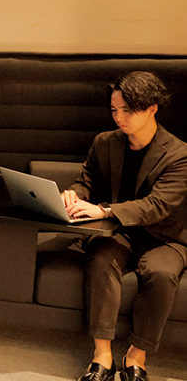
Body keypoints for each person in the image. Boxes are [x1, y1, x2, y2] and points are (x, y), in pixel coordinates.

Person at [60, 71, 187, 381]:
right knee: (101, 259)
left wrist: (103, 210)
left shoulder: (179, 154)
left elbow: (157, 205)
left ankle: (136, 356)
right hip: (115, 233)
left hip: (163, 236)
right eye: (114, 109)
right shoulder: (105, 143)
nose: (119, 117)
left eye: (127, 110)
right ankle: (102, 355)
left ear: (152, 108)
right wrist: (74, 193)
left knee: (161, 273)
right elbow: (87, 180)